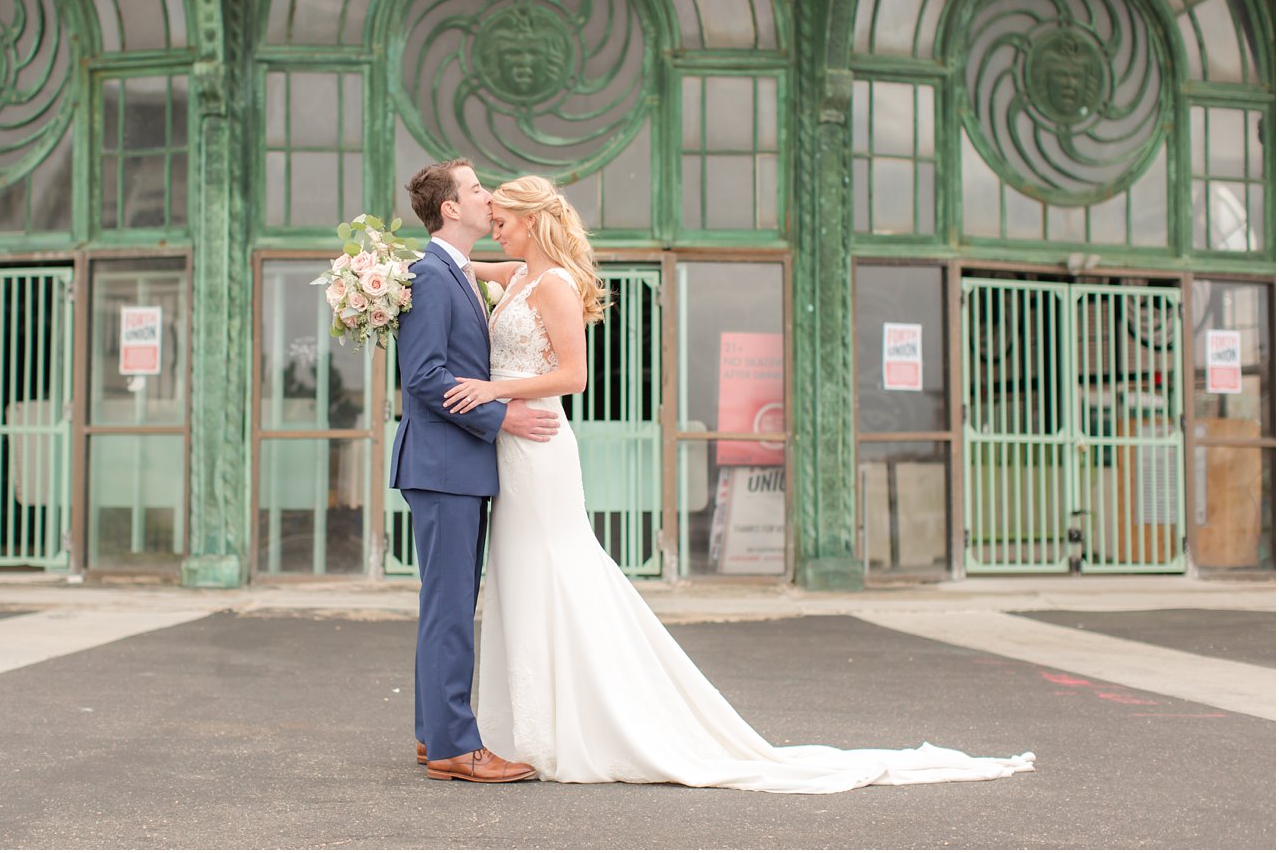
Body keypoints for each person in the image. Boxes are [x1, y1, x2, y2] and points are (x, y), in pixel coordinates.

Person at [443, 175, 1036, 794]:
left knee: (556, 567)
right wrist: (400, 268)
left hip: (539, 446)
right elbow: (461, 268)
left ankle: (585, 720)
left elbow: (574, 376)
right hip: (511, 449)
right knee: (518, 574)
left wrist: (494, 388)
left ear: (533, 223)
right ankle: (529, 722)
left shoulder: (557, 287)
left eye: (504, 221)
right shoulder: (516, 278)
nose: (496, 229)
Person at [389, 158, 560, 784]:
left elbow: (517, 271)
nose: (488, 197)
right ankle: (456, 748)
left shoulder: (455, 270)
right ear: (451, 209)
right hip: (444, 465)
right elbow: (425, 378)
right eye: (476, 188)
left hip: (452, 466)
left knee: (446, 603)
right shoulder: (431, 275)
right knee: (451, 606)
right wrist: (503, 417)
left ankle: (434, 734)